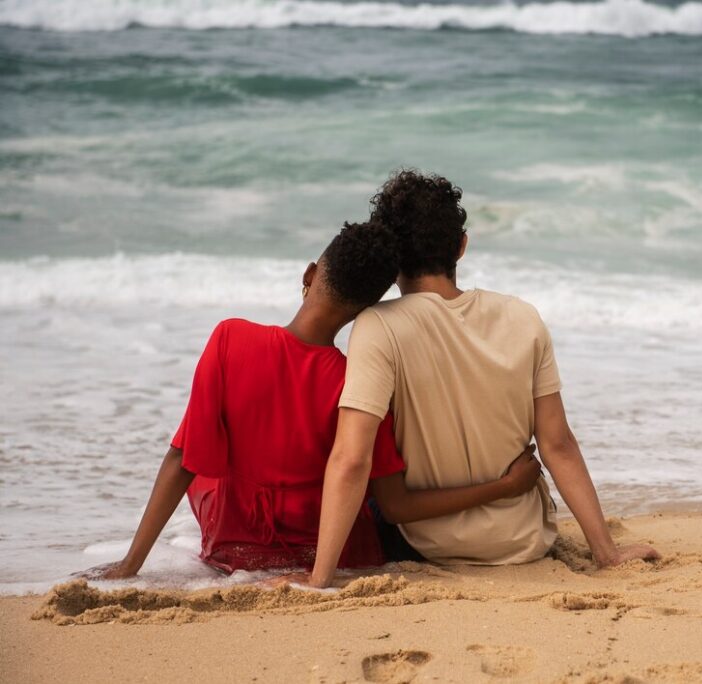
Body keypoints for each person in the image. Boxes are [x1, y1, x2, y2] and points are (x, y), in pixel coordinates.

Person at [83, 220, 541, 579]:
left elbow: (181, 460)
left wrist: (130, 566)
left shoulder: (230, 339)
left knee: (203, 455)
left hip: (232, 541)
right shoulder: (354, 380)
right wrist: (504, 486)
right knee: (369, 479)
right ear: (368, 310)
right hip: (330, 548)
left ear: (309, 275)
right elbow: (398, 506)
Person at [304, 172, 659, 588]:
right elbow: (557, 444)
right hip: (524, 541)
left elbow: (352, 458)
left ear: (393, 256)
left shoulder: (377, 327)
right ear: (461, 246)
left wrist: (318, 581)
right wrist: (608, 553)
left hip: (424, 545)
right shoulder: (522, 316)